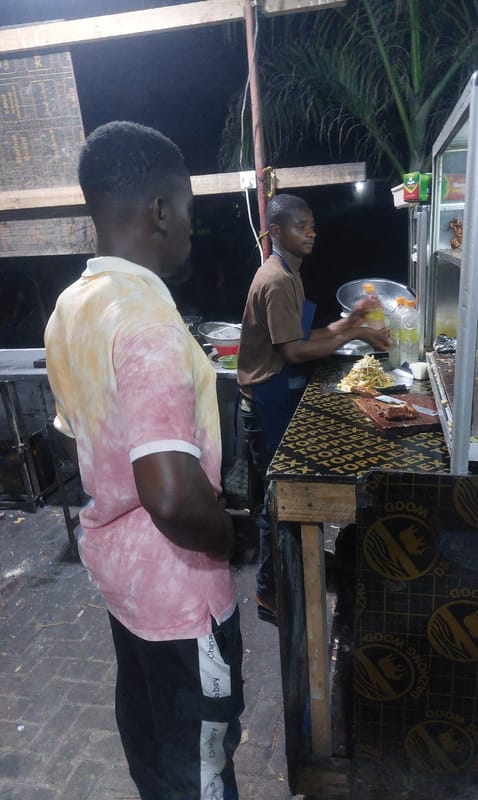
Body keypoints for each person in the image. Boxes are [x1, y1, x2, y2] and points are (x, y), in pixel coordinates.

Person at [44, 121, 243, 800]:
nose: (190, 228)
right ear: (161, 211)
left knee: (157, 757)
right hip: (180, 594)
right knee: (201, 772)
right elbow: (170, 498)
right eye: (187, 210)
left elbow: (77, 439)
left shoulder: (72, 307)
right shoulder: (148, 321)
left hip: (122, 586)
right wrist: (232, 540)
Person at [236, 193, 389, 624]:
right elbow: (296, 351)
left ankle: (296, 570)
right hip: (266, 399)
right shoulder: (277, 280)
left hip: (276, 392)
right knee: (276, 501)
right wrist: (354, 335)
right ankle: (270, 591)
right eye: (301, 226)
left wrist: (352, 321)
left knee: (283, 496)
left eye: (313, 225)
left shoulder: (290, 272)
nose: (311, 233)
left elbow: (309, 335)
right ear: (277, 231)